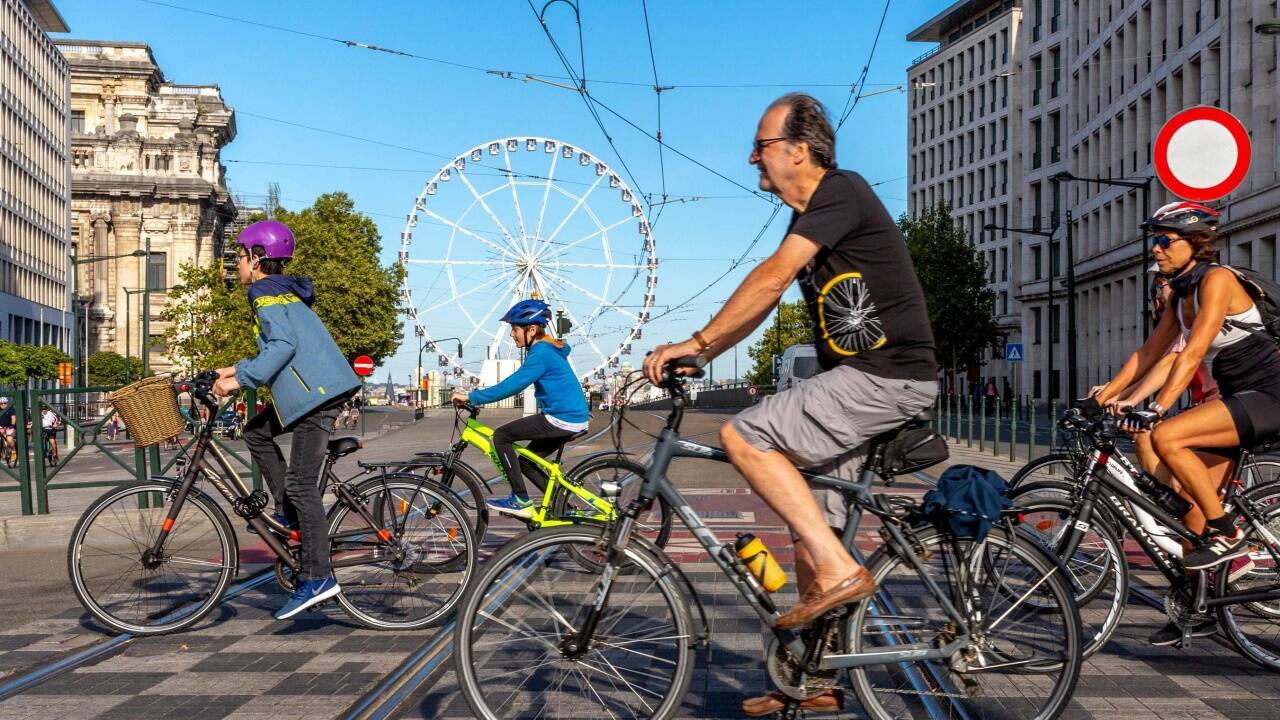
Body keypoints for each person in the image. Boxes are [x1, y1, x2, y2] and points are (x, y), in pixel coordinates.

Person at [643, 92, 938, 716]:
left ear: (800, 151)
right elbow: (768, 299)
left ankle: (838, 571)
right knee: (813, 530)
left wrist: (696, 340)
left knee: (745, 436)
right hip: (862, 379)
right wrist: (709, 348)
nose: (753, 157)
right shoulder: (813, 213)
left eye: (763, 145)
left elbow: (773, 278)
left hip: (886, 376)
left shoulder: (842, 192)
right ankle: (814, 680)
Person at [1091, 202, 1280, 644]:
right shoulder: (1181, 294)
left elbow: (1192, 353)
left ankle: (1230, 535)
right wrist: (1104, 397)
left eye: (1163, 240)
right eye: (1152, 240)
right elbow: (1148, 355)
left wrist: (1157, 408)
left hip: (1272, 393)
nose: (1154, 249)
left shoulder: (1218, 280)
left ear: (1194, 242)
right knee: (1194, 508)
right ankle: (1197, 612)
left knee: (1168, 434)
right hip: (1241, 396)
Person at [211, 220, 361, 621]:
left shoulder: (262, 293)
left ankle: (318, 577)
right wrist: (233, 369)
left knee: (300, 483)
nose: (237, 264)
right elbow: (283, 345)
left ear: (256, 259)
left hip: (318, 395)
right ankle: (287, 512)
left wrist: (240, 379)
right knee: (256, 432)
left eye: (240, 256)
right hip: (314, 390)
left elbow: (283, 345)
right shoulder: (281, 292)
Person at [452, 298, 589, 519]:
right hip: (569, 418)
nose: (511, 334)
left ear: (531, 329)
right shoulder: (548, 350)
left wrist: (472, 397)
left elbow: (513, 385)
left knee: (502, 436)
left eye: (514, 329)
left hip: (561, 419)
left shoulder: (542, 352)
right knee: (527, 462)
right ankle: (566, 510)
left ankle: (520, 499)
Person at [0, 398, 15, 466]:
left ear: (7, 403)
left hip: (9, 427)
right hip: (1, 427)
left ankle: (13, 450)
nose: (3, 404)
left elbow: (13, 418)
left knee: (9, 439)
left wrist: (12, 425)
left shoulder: (11, 409)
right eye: (1, 403)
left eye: (5, 403)